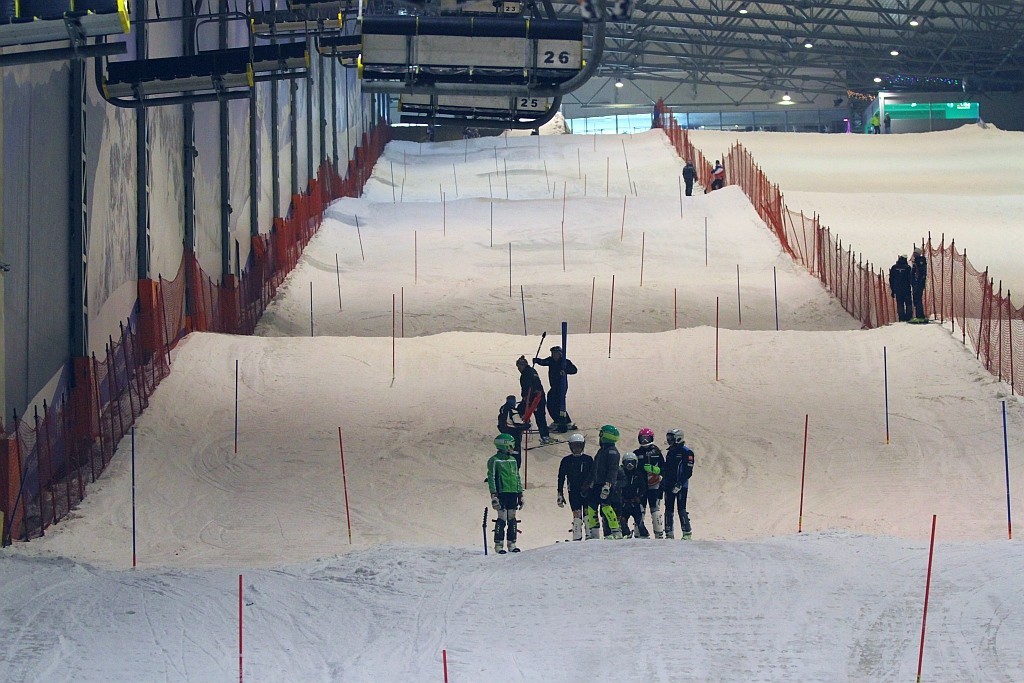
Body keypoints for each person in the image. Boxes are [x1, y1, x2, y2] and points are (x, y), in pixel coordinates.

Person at [583, 424, 623, 539]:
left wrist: (608, 484)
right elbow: (594, 469)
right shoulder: (601, 451)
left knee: (606, 506)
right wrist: (587, 483)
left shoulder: (612, 452)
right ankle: (594, 533)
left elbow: (613, 470)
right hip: (597, 483)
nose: (599, 437)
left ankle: (616, 531)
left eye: (601, 434)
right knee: (592, 506)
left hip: (606, 485)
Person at [487, 434, 524, 554]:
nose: (512, 446)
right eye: (510, 444)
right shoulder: (495, 460)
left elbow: (517, 476)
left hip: (512, 492)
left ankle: (512, 543)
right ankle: (498, 544)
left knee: (512, 518)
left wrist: (520, 493)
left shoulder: (513, 460)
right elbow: (491, 477)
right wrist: (494, 494)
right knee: (502, 518)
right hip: (502, 493)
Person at [557, 433, 595, 541]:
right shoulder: (566, 460)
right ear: (570, 446)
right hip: (573, 491)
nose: (576, 449)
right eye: (574, 446)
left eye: (579, 446)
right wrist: (560, 493)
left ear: (583, 446)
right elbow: (561, 477)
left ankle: (589, 534)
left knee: (588, 513)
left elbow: (593, 475)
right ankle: (577, 535)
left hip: (587, 491)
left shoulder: (588, 459)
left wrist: (591, 487)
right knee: (576, 513)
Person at [533, 346, 578, 433]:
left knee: (559, 404)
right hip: (553, 386)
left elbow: (574, 370)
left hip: (561, 386)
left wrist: (565, 370)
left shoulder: (564, 362)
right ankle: (558, 420)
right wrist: (537, 360)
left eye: (556, 353)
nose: (554, 355)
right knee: (551, 403)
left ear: (560, 354)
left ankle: (565, 422)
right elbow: (543, 362)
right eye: (553, 353)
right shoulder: (551, 361)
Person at [633, 427, 666, 538]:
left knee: (655, 509)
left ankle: (659, 532)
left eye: (647, 438)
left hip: (655, 485)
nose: (645, 441)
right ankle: (639, 532)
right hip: (640, 487)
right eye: (643, 439)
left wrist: (655, 470)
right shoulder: (636, 453)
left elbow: (664, 468)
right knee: (640, 510)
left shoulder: (656, 452)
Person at [662, 428, 694, 539]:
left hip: (681, 485)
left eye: (671, 438)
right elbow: (666, 469)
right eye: (668, 438)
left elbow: (688, 471)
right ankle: (669, 532)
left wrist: (680, 483)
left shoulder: (687, 452)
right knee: (668, 508)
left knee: (681, 508)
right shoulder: (670, 452)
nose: (669, 440)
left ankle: (687, 532)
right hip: (668, 484)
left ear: (678, 438)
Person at [516, 355, 554, 444]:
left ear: (523, 365)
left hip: (535, 399)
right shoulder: (531, 371)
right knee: (521, 413)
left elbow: (530, 388)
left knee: (539, 417)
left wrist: (527, 399)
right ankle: (544, 435)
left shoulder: (526, 374)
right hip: (536, 397)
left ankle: (544, 436)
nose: (518, 369)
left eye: (519, 367)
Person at [618, 451, 650, 538]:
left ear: (635, 463)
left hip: (635, 502)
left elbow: (643, 487)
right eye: (627, 462)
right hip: (624, 503)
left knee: (639, 521)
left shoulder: (638, 474)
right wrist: (619, 497)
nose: (630, 465)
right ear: (623, 463)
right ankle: (626, 534)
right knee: (622, 521)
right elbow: (617, 487)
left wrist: (639, 497)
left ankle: (645, 535)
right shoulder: (621, 474)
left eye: (632, 462)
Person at [497, 394, 528, 467]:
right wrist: (526, 425)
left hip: (505, 433)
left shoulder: (503, 410)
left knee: (507, 451)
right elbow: (518, 423)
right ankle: (515, 468)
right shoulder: (512, 410)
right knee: (515, 453)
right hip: (513, 434)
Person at [889, 255, 914, 322]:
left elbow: (891, 279)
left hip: (898, 289)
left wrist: (892, 290)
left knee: (900, 304)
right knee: (908, 303)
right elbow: (911, 279)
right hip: (906, 289)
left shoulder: (894, 267)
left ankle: (901, 318)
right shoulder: (908, 268)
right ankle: (909, 317)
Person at [911, 247, 928, 322]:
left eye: (915, 253)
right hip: (917, 282)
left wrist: (917, 282)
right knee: (916, 298)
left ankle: (920, 315)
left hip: (918, 283)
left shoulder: (920, 261)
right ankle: (919, 314)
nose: (913, 254)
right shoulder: (917, 261)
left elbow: (920, 273)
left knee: (917, 298)